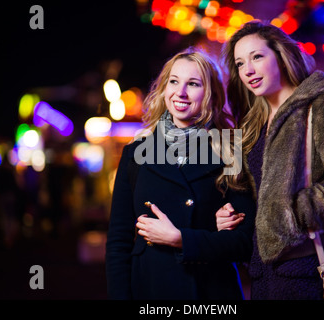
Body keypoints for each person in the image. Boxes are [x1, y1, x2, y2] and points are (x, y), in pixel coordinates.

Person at [215, 21, 324, 300]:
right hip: (263, 274)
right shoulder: (255, 122)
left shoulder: (323, 105)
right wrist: (231, 216)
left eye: (257, 57)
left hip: (310, 268)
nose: (248, 70)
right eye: (240, 64)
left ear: (281, 55)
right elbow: (259, 198)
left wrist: (293, 213)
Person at [105, 48, 256, 300]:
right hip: (151, 289)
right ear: (164, 88)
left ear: (211, 94)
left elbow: (244, 243)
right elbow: (118, 243)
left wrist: (181, 239)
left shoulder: (231, 150)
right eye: (174, 81)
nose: (181, 92)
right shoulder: (136, 152)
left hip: (211, 292)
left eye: (193, 84)